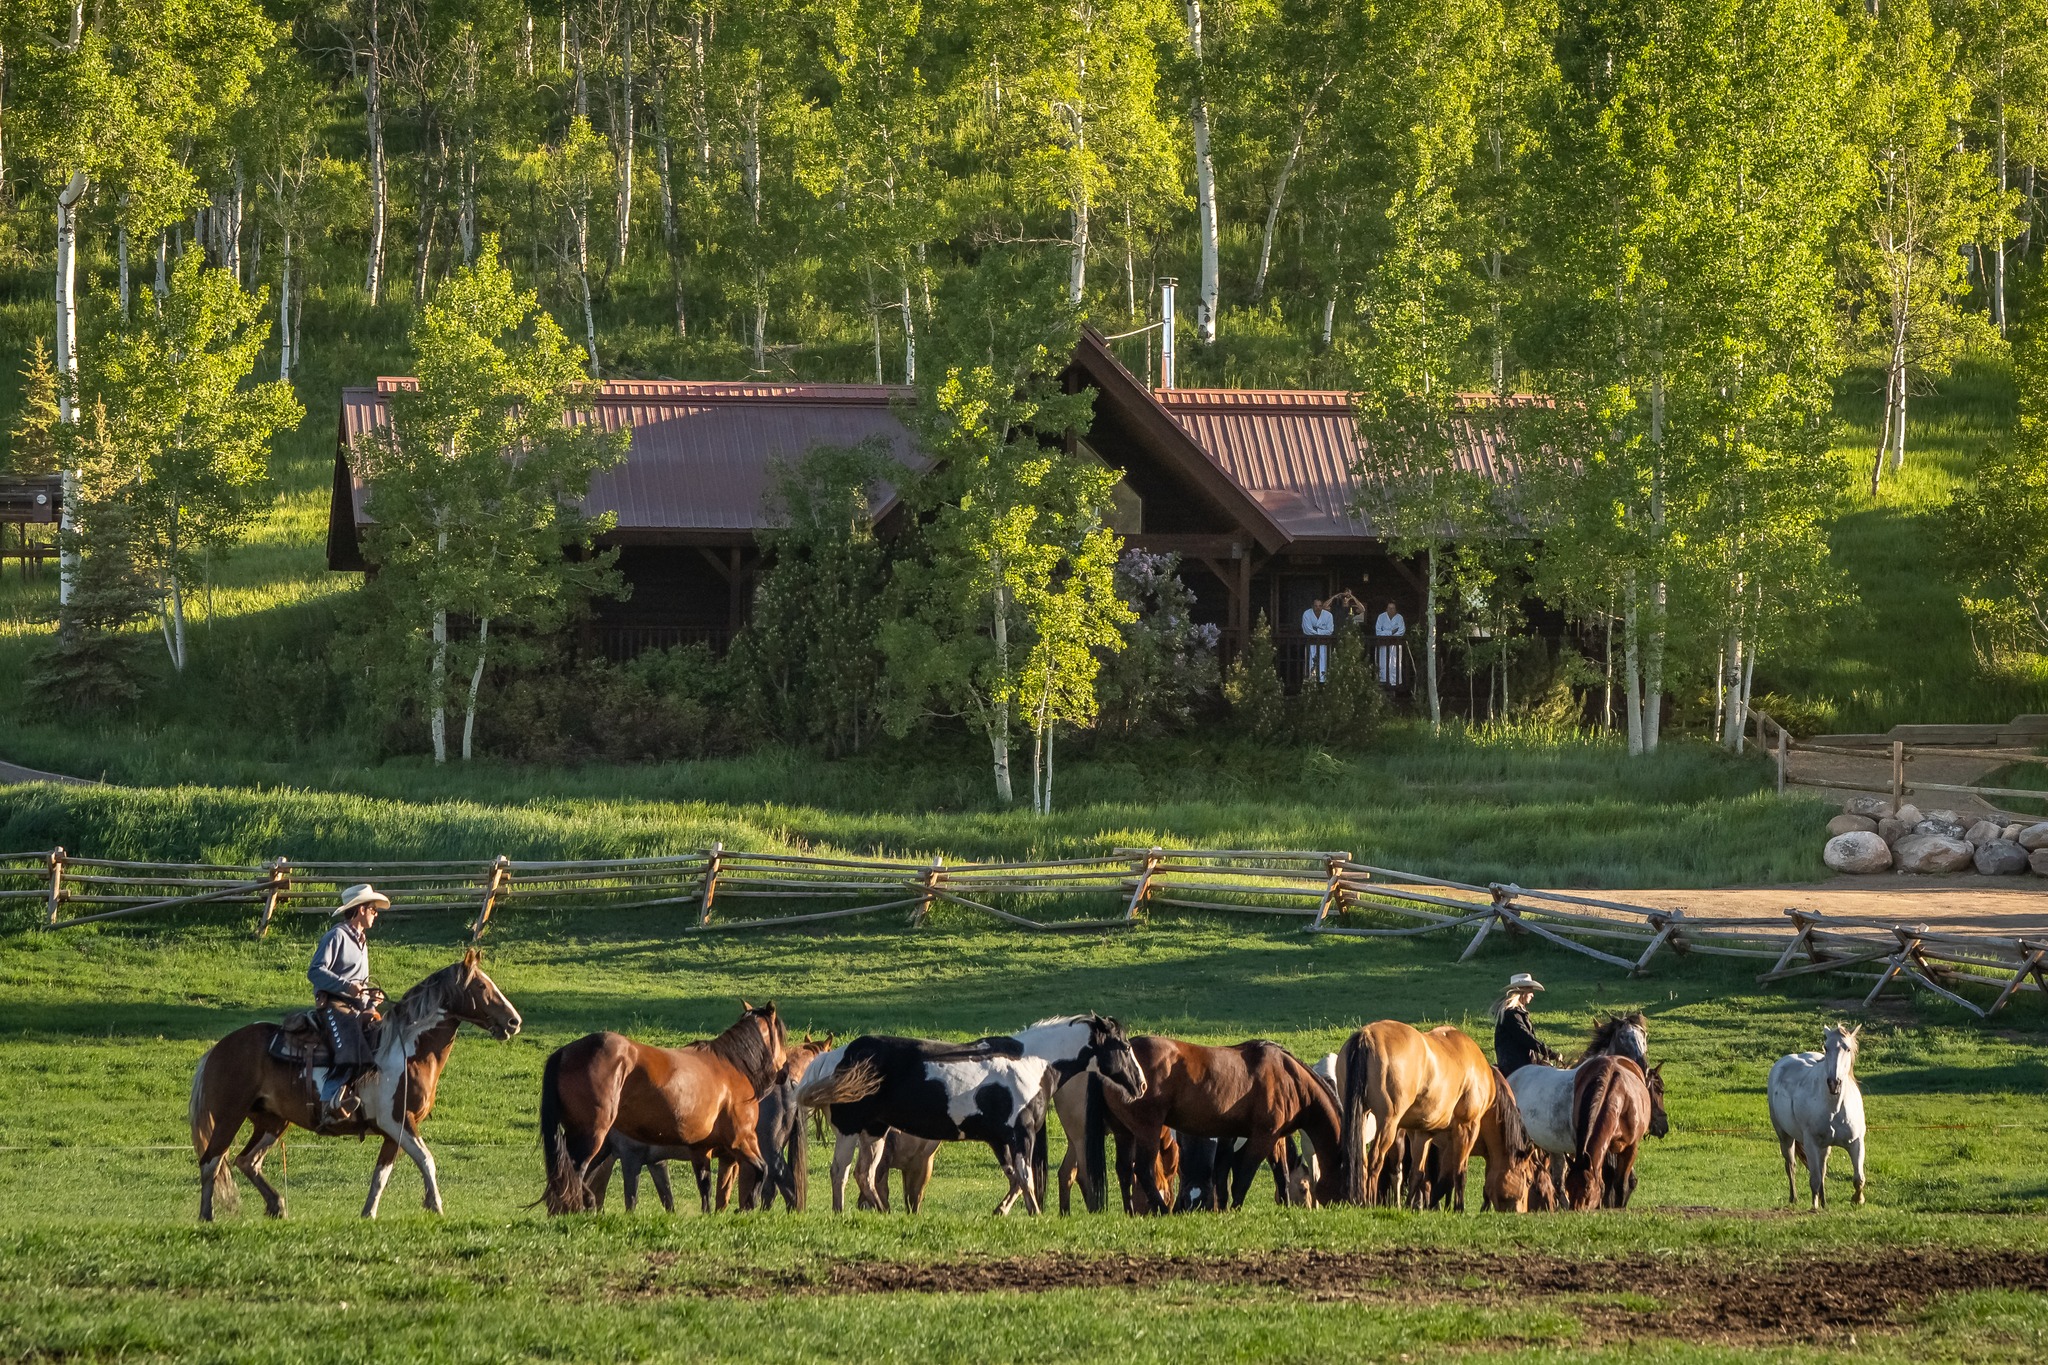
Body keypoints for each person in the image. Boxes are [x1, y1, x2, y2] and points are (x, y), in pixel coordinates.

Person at [308, 883, 389, 1127]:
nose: (376, 914)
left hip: (357, 1006)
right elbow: (315, 971)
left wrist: (371, 998)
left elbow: (359, 983)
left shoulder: (362, 941)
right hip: (335, 1006)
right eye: (373, 909)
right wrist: (346, 986)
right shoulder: (337, 935)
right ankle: (329, 1102)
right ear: (361, 909)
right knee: (351, 1047)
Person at [1491, 972, 1561, 1075]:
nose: (1532, 995)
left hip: (1521, 1064)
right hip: (1517, 1067)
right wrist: (1549, 1053)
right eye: (1530, 991)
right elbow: (1526, 1037)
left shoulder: (1516, 1013)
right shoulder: (1511, 1014)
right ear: (1523, 992)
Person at [1301, 597, 1336, 683]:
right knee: (1310, 661)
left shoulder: (1328, 615)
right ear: (1312, 606)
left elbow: (1330, 630)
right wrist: (1322, 631)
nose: (1318, 608)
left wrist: (1316, 630)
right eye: (1316, 606)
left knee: (1323, 661)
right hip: (1311, 643)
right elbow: (1307, 630)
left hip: (1324, 644)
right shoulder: (1306, 614)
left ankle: (1323, 681)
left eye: (1320, 606)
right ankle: (1311, 680)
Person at [1374, 600, 1407, 686]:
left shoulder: (1399, 618)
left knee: (1395, 663)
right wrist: (1391, 632)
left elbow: (1401, 631)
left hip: (1395, 644)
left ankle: (1394, 682)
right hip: (1383, 644)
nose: (1391, 610)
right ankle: (1383, 681)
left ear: (1396, 609)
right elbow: (1378, 631)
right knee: (1383, 662)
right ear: (1386, 609)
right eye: (1389, 608)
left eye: (1393, 608)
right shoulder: (1381, 617)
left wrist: (1390, 634)